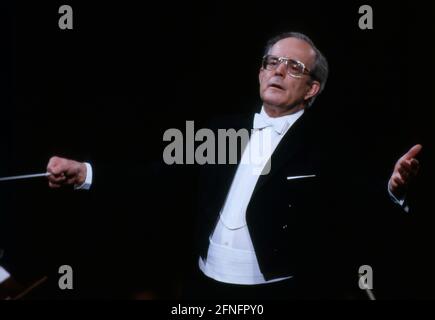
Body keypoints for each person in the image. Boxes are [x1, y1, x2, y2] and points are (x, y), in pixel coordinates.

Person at [45, 32, 421, 299]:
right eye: (271, 62)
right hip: (205, 286)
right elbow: (158, 179)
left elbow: (355, 206)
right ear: (260, 73)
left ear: (312, 89)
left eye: (293, 66)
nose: (277, 71)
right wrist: (86, 173)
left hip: (279, 291)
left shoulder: (328, 145)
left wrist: (394, 189)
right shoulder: (221, 130)